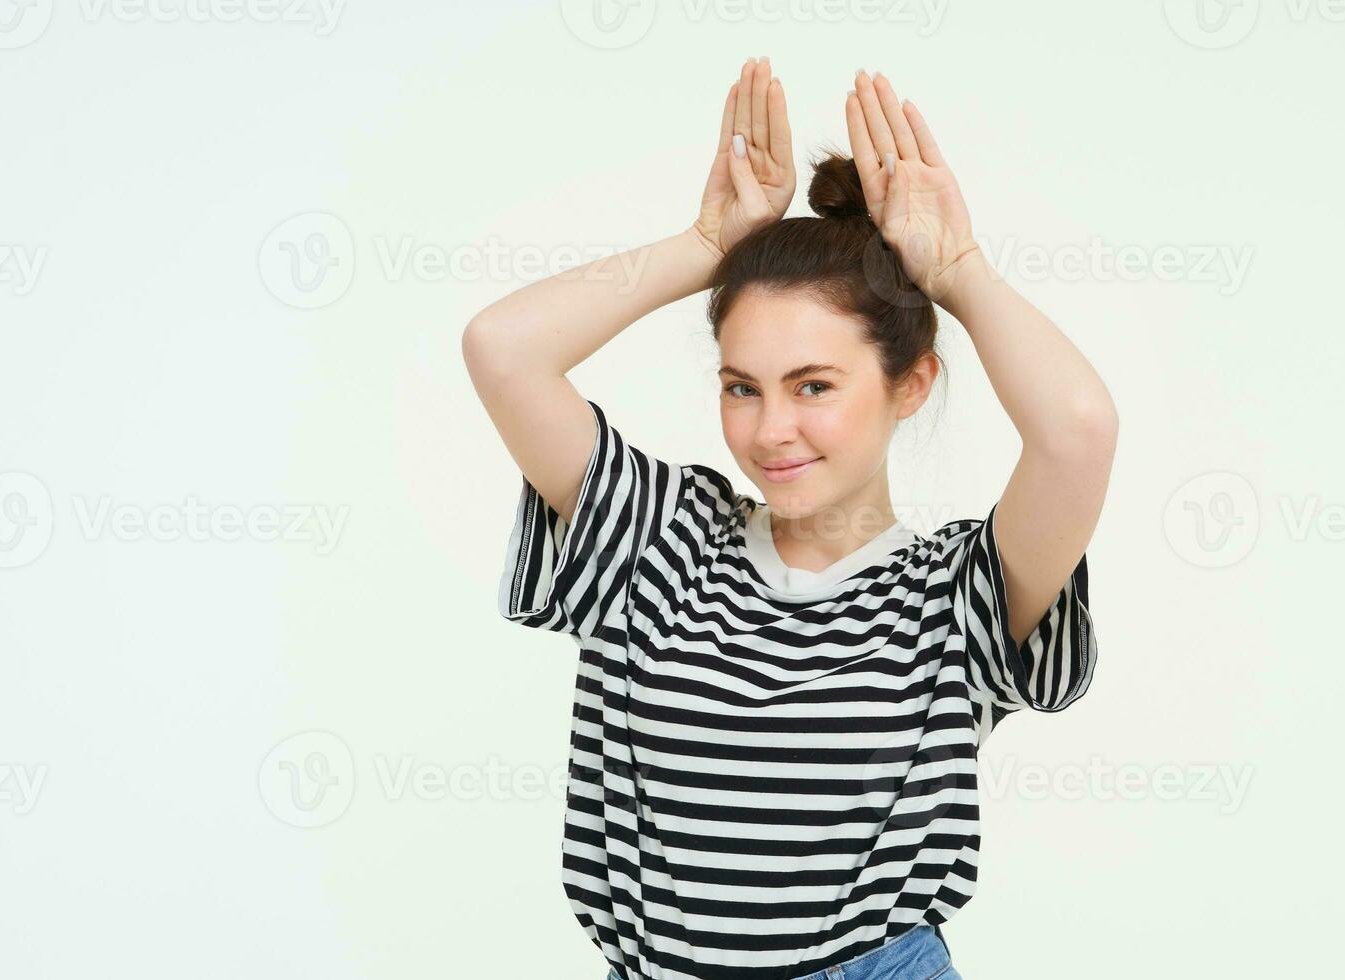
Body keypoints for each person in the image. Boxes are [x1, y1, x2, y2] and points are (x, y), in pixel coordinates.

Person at [461, 56, 1118, 980]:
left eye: (814, 385)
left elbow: (1079, 432)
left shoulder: (956, 594)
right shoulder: (659, 540)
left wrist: (959, 272)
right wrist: (705, 242)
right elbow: (502, 350)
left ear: (910, 384)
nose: (772, 430)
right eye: (742, 387)